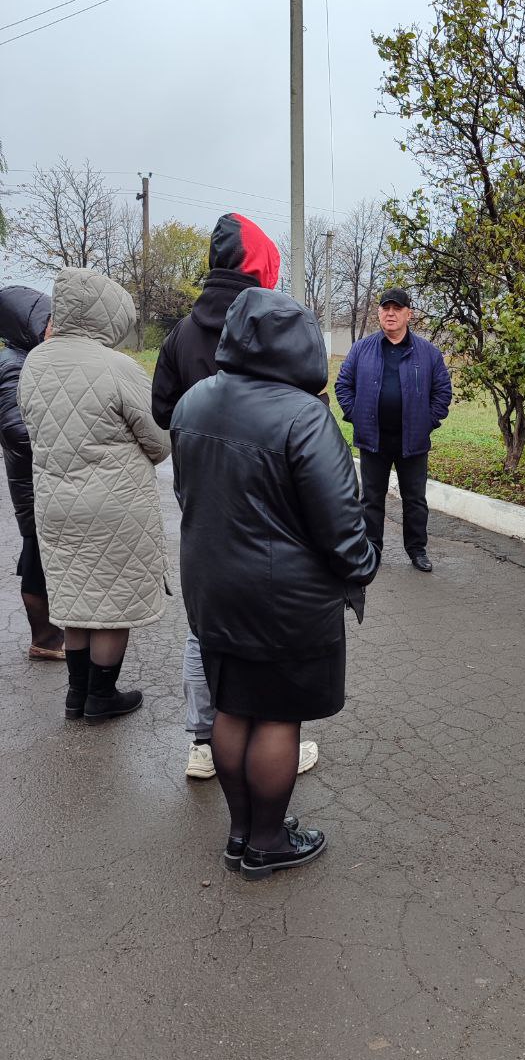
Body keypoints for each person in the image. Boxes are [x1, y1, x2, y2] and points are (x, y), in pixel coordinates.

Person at [171, 287, 379, 880]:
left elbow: (187, 492)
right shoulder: (304, 416)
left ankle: (241, 833)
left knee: (233, 708)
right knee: (278, 717)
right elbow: (341, 524)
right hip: (285, 600)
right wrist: (362, 566)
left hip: (213, 587)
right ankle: (267, 842)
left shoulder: (194, 400)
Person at [152, 211, 319, 780]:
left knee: (206, 623)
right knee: (272, 619)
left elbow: (161, 410)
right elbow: (303, 411)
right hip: (273, 498)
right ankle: (274, 735)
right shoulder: (274, 325)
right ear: (261, 265)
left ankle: (205, 740)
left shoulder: (182, 331)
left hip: (202, 494)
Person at [18, 269, 170, 722]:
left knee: (76, 598)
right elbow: (160, 441)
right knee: (112, 602)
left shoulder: (35, 363)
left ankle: (75, 695)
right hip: (113, 505)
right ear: (108, 313)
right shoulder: (118, 367)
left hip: (54, 503)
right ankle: (102, 696)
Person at [335, 288, 452, 573]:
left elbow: (442, 392)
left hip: (412, 441)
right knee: (371, 500)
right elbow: (343, 385)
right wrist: (356, 416)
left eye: (397, 309)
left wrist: (426, 422)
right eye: (385, 308)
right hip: (373, 439)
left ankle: (417, 550)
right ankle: (371, 549)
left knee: (415, 500)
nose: (390, 314)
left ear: (408, 314)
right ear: (378, 313)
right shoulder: (362, 349)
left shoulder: (428, 353)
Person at [0, 286, 64, 661]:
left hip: (41, 478)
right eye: (48, 322)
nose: (54, 328)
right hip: (33, 481)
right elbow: (15, 431)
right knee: (37, 556)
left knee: (40, 553)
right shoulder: (15, 365)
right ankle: (45, 639)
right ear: (26, 326)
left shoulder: (31, 358)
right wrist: (65, 436)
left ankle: (52, 634)